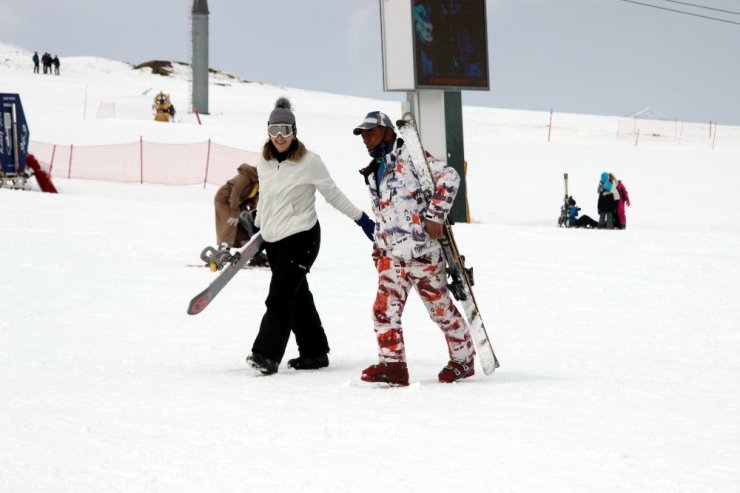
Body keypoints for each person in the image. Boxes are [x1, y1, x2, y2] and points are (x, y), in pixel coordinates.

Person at [245, 97, 375, 375]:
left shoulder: (309, 161)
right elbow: (266, 197)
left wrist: (361, 219)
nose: (280, 137)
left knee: (279, 298)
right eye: (274, 130)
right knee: (297, 296)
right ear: (267, 132)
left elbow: (333, 194)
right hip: (274, 240)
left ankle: (265, 355)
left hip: (302, 238)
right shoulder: (264, 161)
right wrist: (257, 227)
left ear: (295, 131)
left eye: (286, 130)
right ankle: (315, 353)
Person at [354, 111, 475, 386]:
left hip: (423, 254)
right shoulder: (375, 172)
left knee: (440, 311)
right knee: (383, 310)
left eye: (371, 133)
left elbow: (450, 177)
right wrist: (379, 249)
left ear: (387, 132)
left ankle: (463, 360)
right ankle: (393, 366)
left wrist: (435, 215)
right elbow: (383, 214)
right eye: (363, 135)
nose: (366, 139)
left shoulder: (412, 156)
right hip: (392, 255)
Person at [213, 162, 262, 260]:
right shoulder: (245, 177)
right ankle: (222, 251)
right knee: (230, 223)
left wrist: (251, 212)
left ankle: (252, 252)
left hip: (238, 203)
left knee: (244, 226)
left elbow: (254, 198)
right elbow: (235, 194)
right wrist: (235, 212)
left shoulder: (260, 182)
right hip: (224, 200)